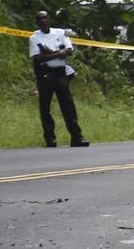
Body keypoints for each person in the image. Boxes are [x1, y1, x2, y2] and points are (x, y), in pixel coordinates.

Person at [29, 10, 89, 147]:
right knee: (45, 107)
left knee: (68, 105)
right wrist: (58, 53)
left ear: (49, 19)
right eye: (40, 19)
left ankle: (76, 137)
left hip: (61, 73)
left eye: (45, 18)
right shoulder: (34, 37)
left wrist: (52, 52)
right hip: (45, 74)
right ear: (37, 22)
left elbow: (69, 50)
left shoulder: (59, 33)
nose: (43, 21)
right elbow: (38, 57)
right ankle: (50, 139)